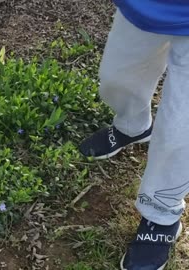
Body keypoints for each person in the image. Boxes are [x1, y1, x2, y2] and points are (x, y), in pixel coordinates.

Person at [78, 1, 189, 269]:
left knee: (180, 129)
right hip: (146, 5)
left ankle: (161, 213)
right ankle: (132, 126)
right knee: (116, 78)